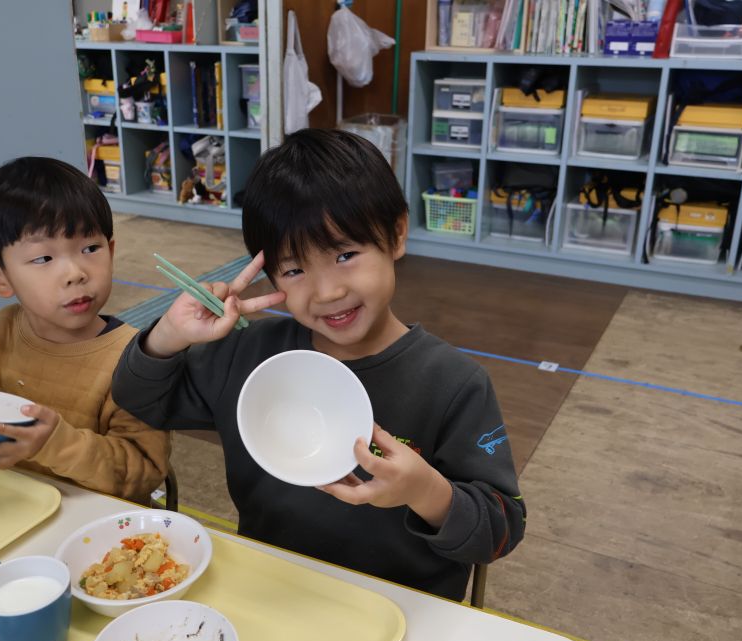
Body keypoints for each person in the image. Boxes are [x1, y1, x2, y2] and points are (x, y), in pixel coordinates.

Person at [112, 130, 525, 600]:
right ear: (269, 275)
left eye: (346, 255)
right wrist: (169, 334)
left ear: (396, 235)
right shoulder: (248, 357)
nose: (327, 292)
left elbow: (501, 529)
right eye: (294, 270)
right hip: (273, 591)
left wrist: (425, 490)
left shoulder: (453, 383)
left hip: (403, 612)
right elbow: (137, 397)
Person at [0, 157, 170, 503]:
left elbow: (141, 476)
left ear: (111, 250)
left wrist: (55, 443)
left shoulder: (138, 359)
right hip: (10, 506)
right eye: (44, 259)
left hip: (95, 527)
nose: (75, 272)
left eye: (90, 248)